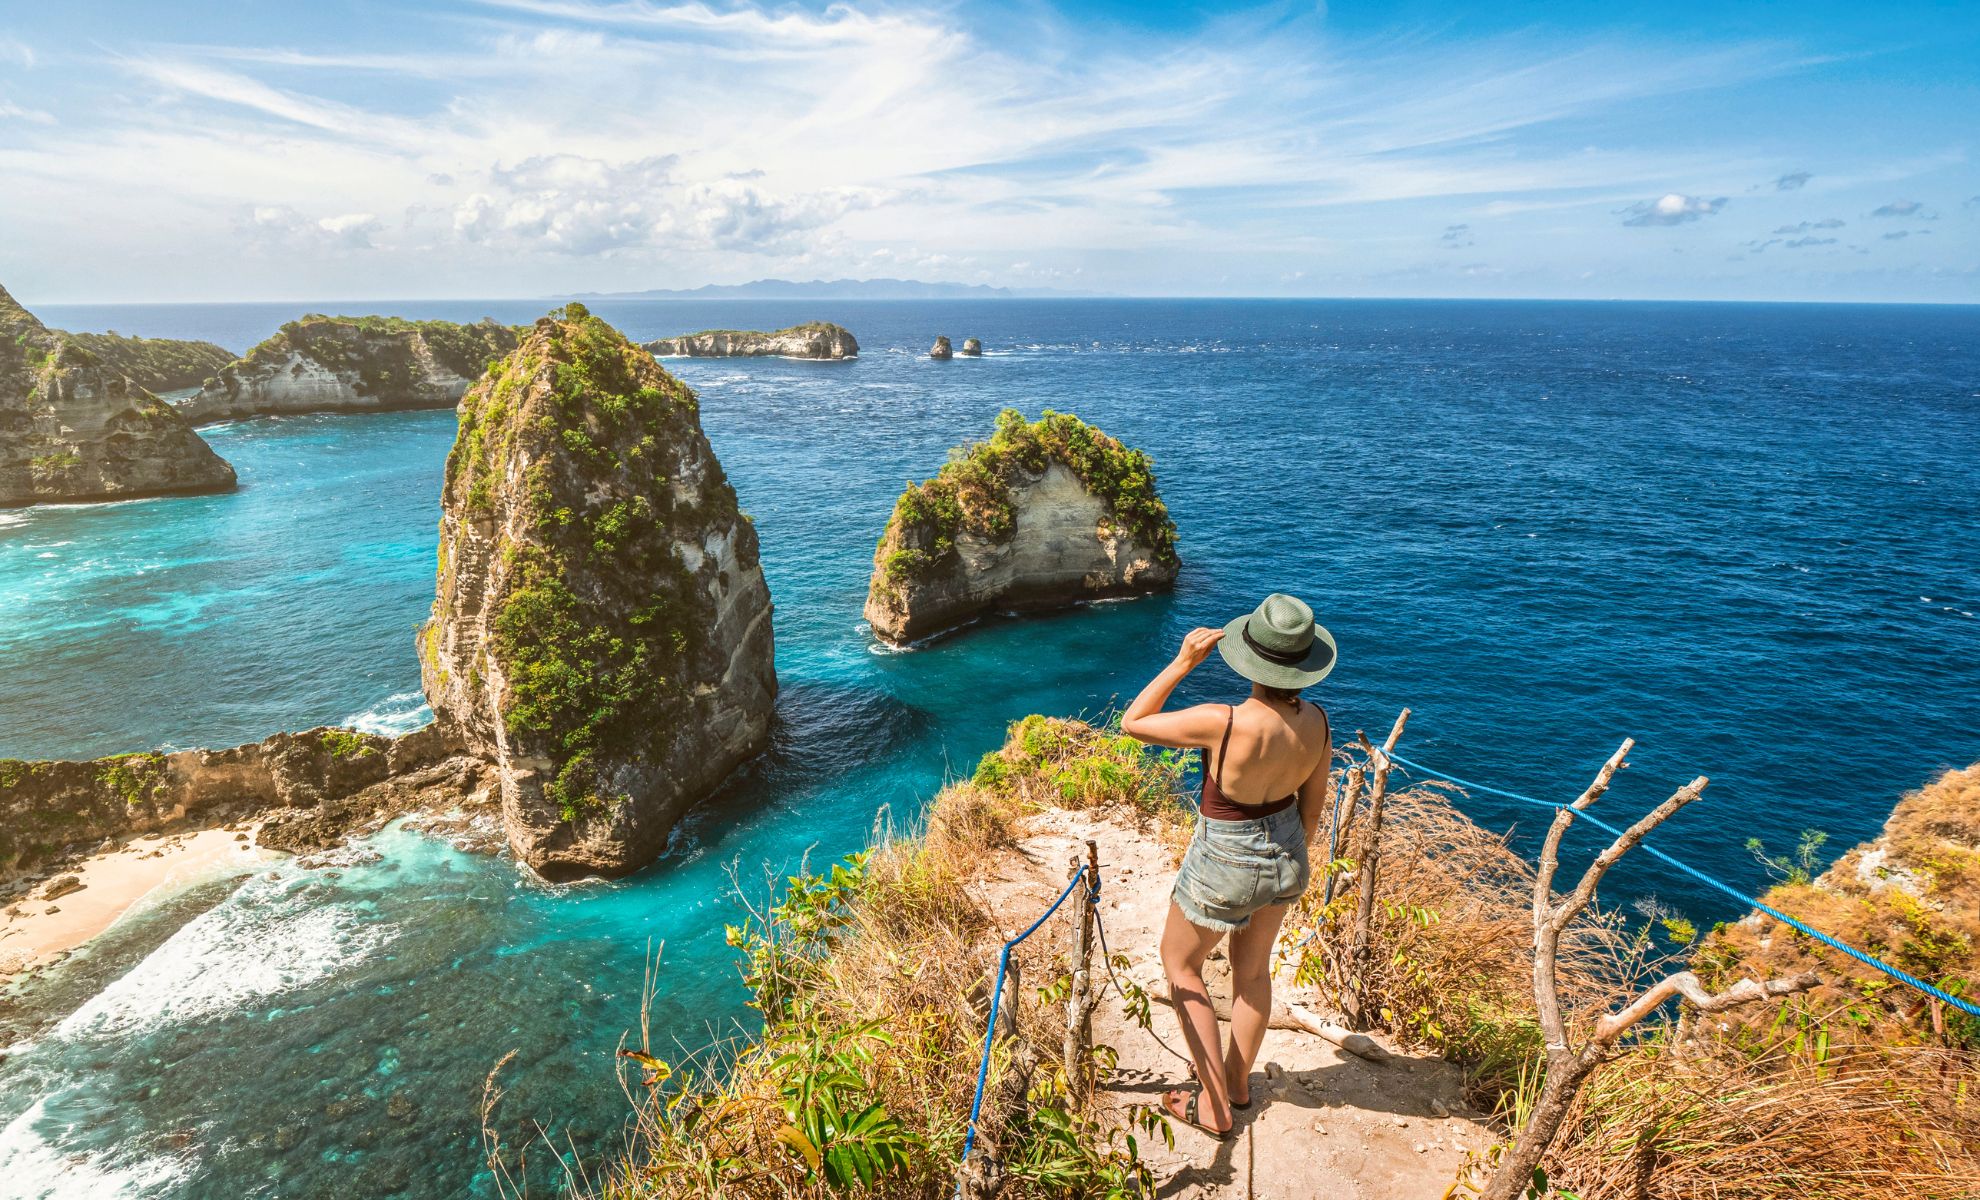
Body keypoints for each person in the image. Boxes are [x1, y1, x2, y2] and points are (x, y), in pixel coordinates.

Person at [1120, 593, 1337, 1138]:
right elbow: (1312, 808)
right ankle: (1236, 1084)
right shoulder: (1318, 722)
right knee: (1253, 973)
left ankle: (1214, 1106)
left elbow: (1134, 721)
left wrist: (1182, 662)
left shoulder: (1224, 720)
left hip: (1225, 854)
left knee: (1180, 965)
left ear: (1249, 659)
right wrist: (1284, 859)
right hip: (1287, 849)